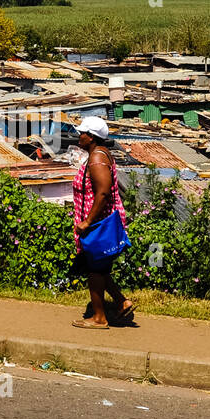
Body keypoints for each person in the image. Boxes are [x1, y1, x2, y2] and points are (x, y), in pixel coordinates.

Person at [70, 116, 133, 329]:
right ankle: (121, 301)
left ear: (92, 137)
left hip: (99, 223)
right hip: (100, 221)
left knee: (95, 269)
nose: (80, 137)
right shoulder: (100, 154)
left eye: (83, 133)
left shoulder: (97, 160)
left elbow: (103, 192)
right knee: (99, 267)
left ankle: (99, 317)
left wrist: (87, 222)